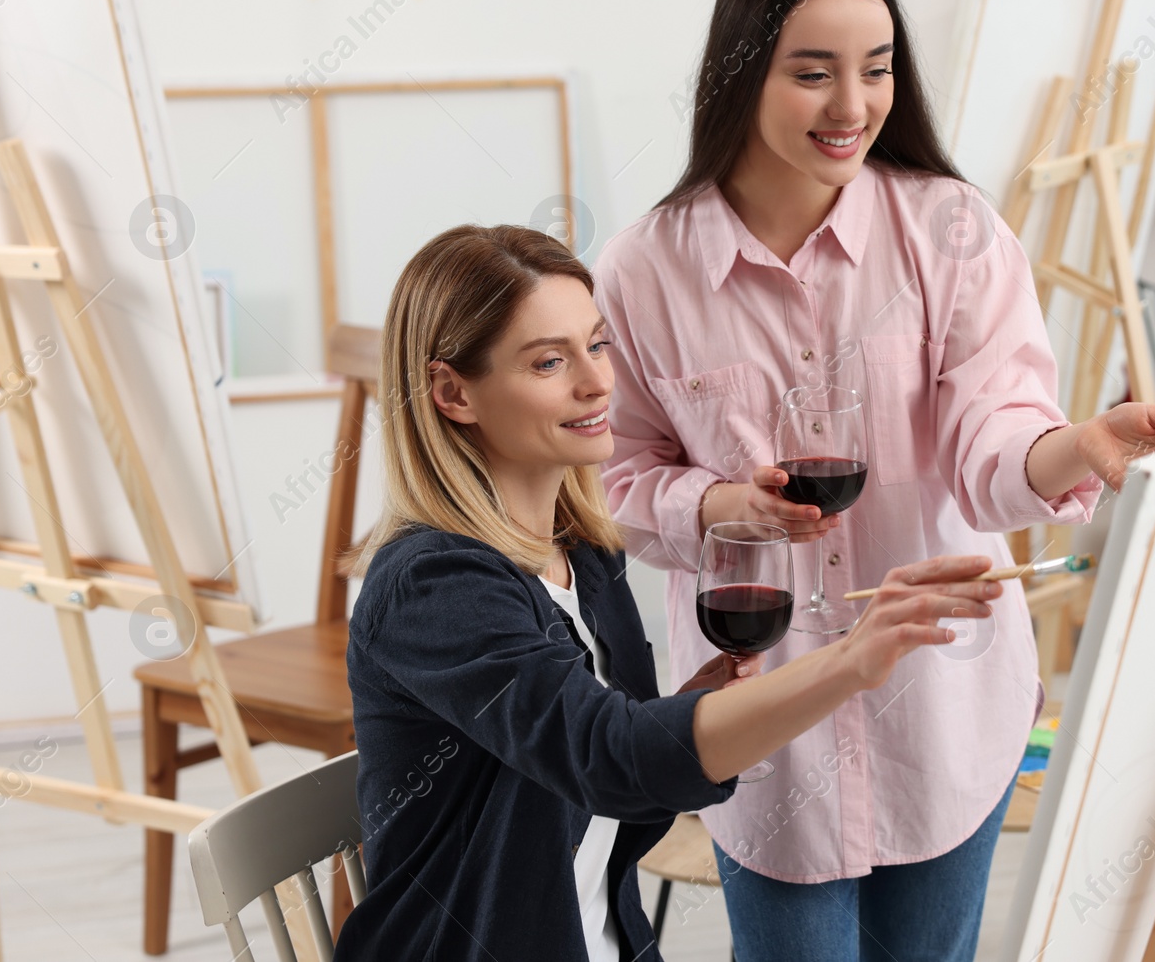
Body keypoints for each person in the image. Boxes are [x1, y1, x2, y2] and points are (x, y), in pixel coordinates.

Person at [593, 0, 1155, 961]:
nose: (852, 106)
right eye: (812, 73)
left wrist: (1075, 445)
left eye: (875, 71)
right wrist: (717, 506)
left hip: (940, 701)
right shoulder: (645, 267)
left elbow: (991, 438)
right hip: (760, 708)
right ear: (741, 73)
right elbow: (612, 478)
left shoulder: (951, 229)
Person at [333, 223, 1007, 962]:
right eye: (549, 361)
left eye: (596, 345)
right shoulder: (433, 587)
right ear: (452, 391)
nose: (596, 383)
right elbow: (611, 760)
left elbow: (627, 783)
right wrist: (851, 660)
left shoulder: (582, 553)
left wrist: (692, 706)